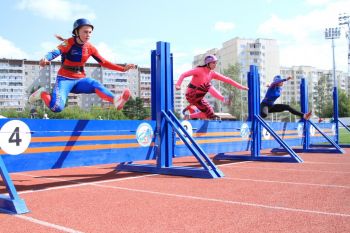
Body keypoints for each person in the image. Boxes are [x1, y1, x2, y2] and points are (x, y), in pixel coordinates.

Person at [29, 18, 136, 112]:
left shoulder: (90, 48)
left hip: (80, 80)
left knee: (94, 83)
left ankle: (116, 100)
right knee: (57, 108)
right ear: (76, 32)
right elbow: (55, 51)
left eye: (90, 32)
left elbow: (103, 62)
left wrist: (123, 69)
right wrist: (46, 58)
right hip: (64, 80)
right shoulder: (68, 43)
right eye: (85, 32)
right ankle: (42, 93)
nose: (88, 35)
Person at [175, 54, 248, 119]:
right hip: (191, 94)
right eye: (213, 63)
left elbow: (227, 80)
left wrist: (240, 87)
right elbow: (183, 75)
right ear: (208, 63)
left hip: (198, 98)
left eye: (215, 63)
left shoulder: (212, 74)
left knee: (209, 114)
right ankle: (223, 99)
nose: (215, 65)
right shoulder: (198, 70)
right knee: (207, 85)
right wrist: (178, 85)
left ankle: (188, 116)